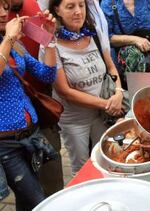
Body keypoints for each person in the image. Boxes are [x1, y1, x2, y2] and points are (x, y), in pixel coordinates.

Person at [44, 0, 124, 175]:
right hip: (75, 121)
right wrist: (107, 104)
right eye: (70, 7)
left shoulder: (93, 33)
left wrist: (118, 92)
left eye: (81, 5)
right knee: (82, 170)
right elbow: (65, 91)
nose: (78, 12)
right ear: (57, 10)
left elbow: (111, 67)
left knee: (107, 160)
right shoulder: (51, 45)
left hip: (101, 116)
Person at [0, 0, 57, 209]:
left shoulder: (14, 44)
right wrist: (8, 38)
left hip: (30, 135)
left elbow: (47, 74)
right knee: (37, 199)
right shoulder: (9, 40)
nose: (2, 13)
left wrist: (49, 38)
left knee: (26, 202)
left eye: (5, 7)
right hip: (5, 143)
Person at [101, 0, 150, 87]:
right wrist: (134, 40)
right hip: (124, 68)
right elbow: (107, 37)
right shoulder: (108, 3)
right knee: (132, 96)